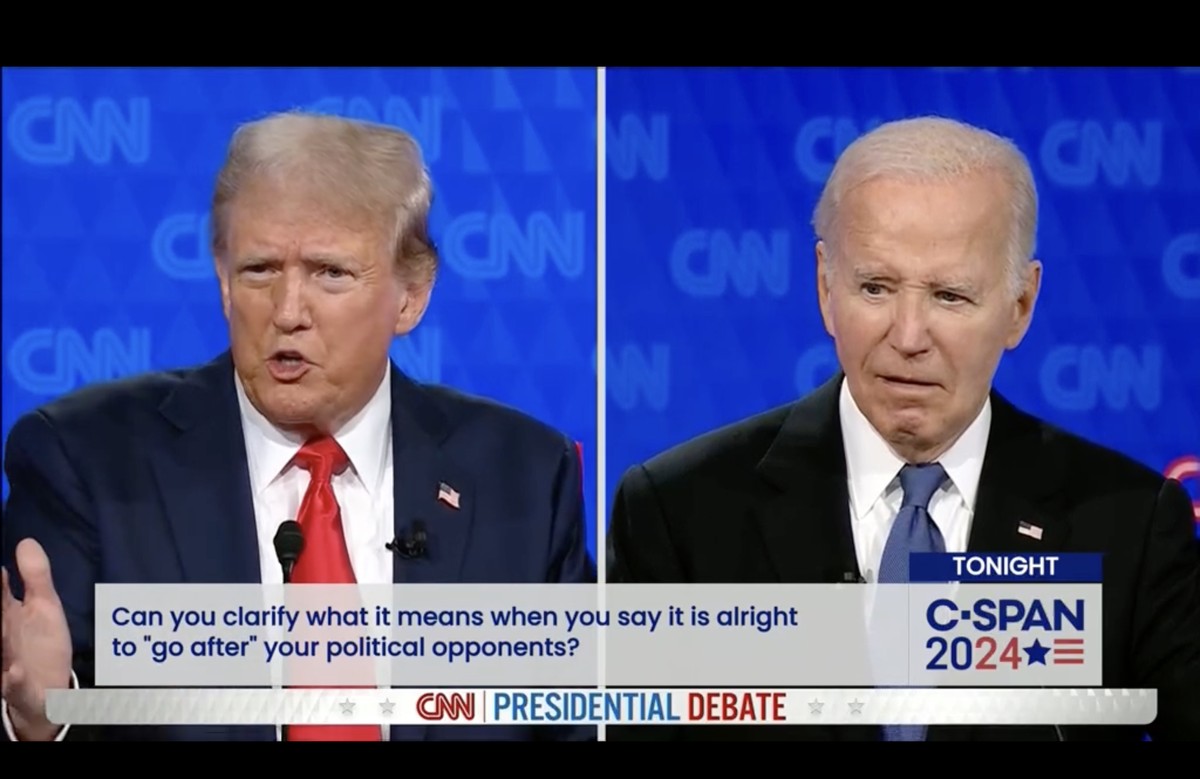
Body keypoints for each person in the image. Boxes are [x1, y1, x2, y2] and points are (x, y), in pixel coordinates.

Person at [1, 111, 596, 742]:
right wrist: (40, 721)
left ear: (411, 295)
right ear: (224, 282)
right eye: (259, 270)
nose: (288, 312)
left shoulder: (526, 477)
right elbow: (44, 700)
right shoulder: (86, 461)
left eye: (330, 272)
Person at [606, 116, 1200, 742]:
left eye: (949, 295)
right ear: (825, 286)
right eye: (875, 287)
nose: (908, 337)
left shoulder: (1127, 525)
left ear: (1019, 307)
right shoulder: (681, 513)